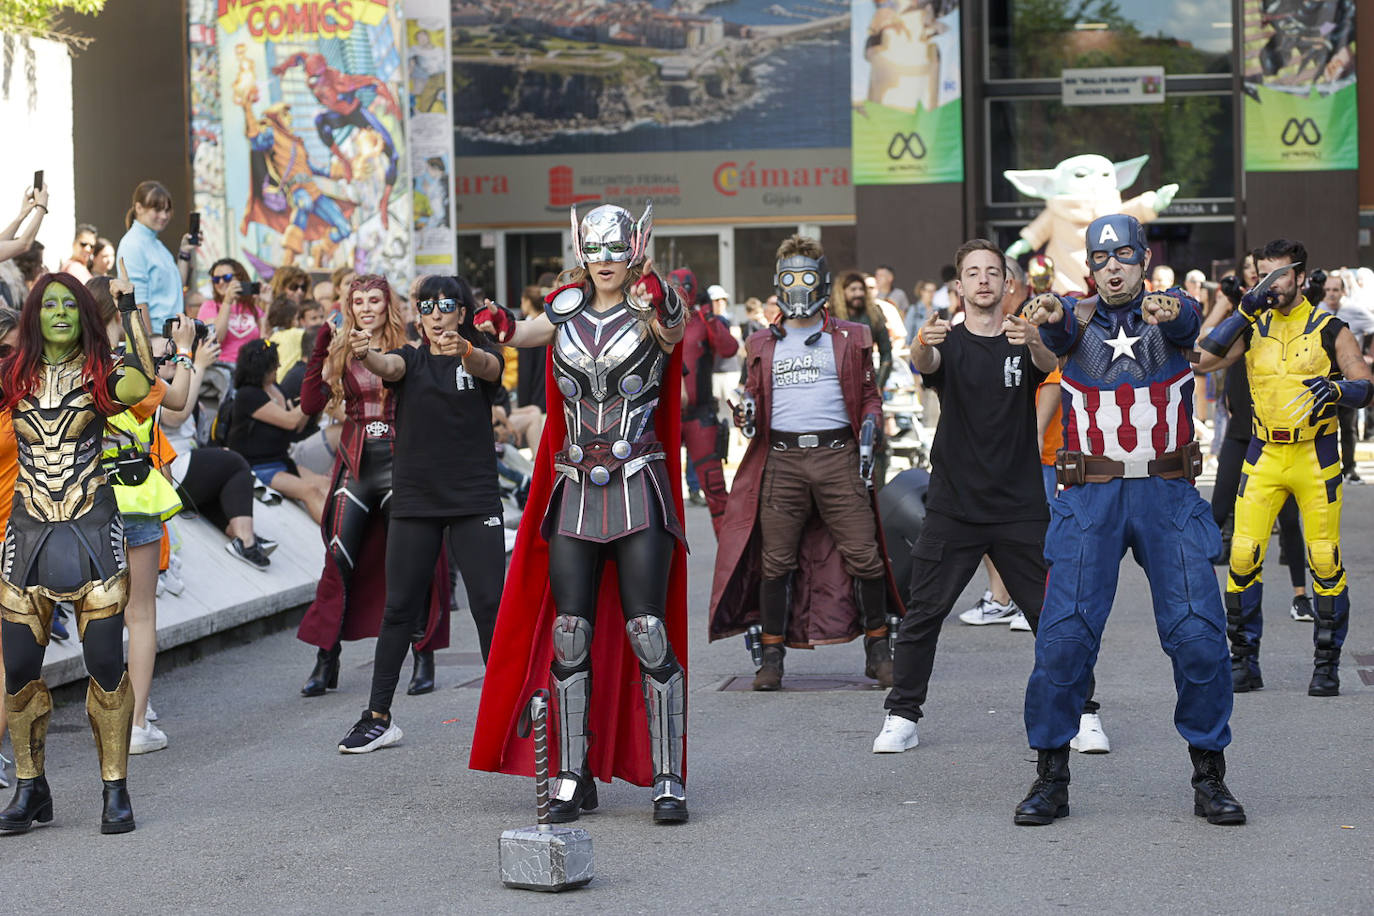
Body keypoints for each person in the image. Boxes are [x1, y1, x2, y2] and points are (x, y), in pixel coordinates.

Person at [1018, 213, 1243, 827]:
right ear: (1088, 265)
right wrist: (1050, 314)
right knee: (1063, 638)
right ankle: (1050, 778)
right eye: (1099, 258)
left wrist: (1177, 313)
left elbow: (1190, 323)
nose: (1111, 267)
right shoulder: (1076, 315)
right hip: (1090, 494)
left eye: (1122, 256)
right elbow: (1061, 329)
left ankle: (1209, 775)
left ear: (1144, 259)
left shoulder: (1170, 312)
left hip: (1167, 492)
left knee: (1198, 634)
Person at [470, 202, 691, 824]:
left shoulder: (652, 308)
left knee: (647, 630)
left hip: (636, 482)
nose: (606, 262)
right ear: (581, 251)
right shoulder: (564, 314)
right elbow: (517, 332)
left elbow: (674, 326)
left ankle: (668, 775)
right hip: (573, 489)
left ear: (635, 249)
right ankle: (572, 773)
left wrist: (659, 291)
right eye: (596, 250)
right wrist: (489, 322)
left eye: (617, 250)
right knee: (570, 632)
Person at [870, 240, 1070, 759]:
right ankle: (902, 715)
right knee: (923, 614)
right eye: (973, 273)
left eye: (992, 273)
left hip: (1020, 505)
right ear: (959, 287)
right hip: (954, 505)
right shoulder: (947, 340)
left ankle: (1083, 710)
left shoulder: (1022, 338)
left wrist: (1035, 342)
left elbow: (1051, 367)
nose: (983, 281)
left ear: (1007, 285)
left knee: (1053, 616)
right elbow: (926, 361)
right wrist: (920, 343)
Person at [709, 235, 904, 691]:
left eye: (806, 277)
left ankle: (878, 650)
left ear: (823, 281)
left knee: (865, 555)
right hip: (782, 459)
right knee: (775, 562)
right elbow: (751, 400)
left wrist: (872, 423)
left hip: (838, 456)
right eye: (790, 278)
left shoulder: (853, 336)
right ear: (778, 282)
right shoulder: (760, 342)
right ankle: (772, 658)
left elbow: (871, 396)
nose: (798, 287)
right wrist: (745, 411)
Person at [0, 267, 156, 834]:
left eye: (69, 304)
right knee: (18, 667)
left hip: (92, 529)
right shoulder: (12, 376)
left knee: (106, 665)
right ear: (34, 316)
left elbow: (140, 384)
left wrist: (131, 307)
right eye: (48, 305)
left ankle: (115, 790)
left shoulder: (99, 377)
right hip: (27, 532)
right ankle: (29, 787)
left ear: (83, 314)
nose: (59, 312)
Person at [335, 275, 506, 752]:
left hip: (474, 500)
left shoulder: (480, 354)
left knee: (489, 607)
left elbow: (492, 369)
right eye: (426, 305)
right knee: (399, 608)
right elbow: (386, 364)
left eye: (445, 304)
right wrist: (363, 351)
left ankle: (505, 710)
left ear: (462, 312)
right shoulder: (410, 358)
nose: (434, 313)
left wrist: (466, 352)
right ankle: (377, 716)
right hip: (415, 499)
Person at [1196, 239, 1373, 698]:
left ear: (1298, 275)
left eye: (1279, 276)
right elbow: (1200, 359)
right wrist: (1242, 309)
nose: (1271, 285)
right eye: (1263, 276)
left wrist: (1339, 392)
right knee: (1240, 557)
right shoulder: (1253, 326)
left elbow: (1363, 382)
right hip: (1264, 453)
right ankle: (1244, 663)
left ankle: (1327, 666)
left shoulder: (1330, 327)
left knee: (1324, 559)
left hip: (1315, 454)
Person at [296, 275, 452, 700]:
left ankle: (424, 656)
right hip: (356, 463)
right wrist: (321, 344)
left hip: (404, 464)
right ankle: (326, 658)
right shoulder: (341, 344)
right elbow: (309, 406)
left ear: (388, 305)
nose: (366, 307)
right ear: (350, 306)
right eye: (359, 301)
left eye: (375, 301)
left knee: (415, 563)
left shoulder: (410, 343)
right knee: (337, 558)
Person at [226, 339, 328, 522]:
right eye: (274, 364)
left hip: (281, 460)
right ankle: (337, 541)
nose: (279, 366)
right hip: (258, 467)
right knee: (310, 491)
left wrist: (316, 393)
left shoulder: (275, 388)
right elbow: (290, 421)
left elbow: (298, 426)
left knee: (327, 485)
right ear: (262, 368)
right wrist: (311, 394)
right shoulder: (248, 395)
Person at [672, 268, 738, 535]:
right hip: (665, 416)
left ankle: (731, 565)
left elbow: (729, 348)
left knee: (716, 493)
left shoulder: (702, 318)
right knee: (656, 496)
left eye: (683, 286)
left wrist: (710, 317)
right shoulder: (656, 317)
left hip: (700, 415)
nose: (679, 291)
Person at [116, 180, 193, 330]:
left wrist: (184, 252)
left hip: (170, 336)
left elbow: (176, 287)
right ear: (138, 207)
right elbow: (138, 302)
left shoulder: (156, 244)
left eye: (167, 210)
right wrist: (150, 346)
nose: (164, 216)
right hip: (158, 340)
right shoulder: (133, 244)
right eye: (157, 210)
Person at [199, 258, 266, 366]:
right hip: (222, 368)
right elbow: (216, 338)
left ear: (240, 278)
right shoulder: (209, 306)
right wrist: (227, 301)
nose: (220, 282)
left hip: (251, 369)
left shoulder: (253, 308)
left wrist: (267, 304)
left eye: (227, 278)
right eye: (216, 279)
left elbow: (265, 340)